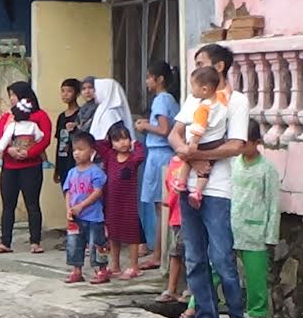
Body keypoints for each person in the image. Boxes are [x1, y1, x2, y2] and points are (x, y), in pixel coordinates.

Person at [169, 43, 251, 318]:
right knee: (194, 259)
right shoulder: (194, 97)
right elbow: (174, 133)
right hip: (187, 186)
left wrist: (201, 155)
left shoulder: (236, 102)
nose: (196, 69)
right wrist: (188, 156)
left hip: (217, 189)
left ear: (218, 67)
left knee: (221, 258)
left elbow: (237, 145)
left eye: (201, 62)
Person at [0, 82, 52, 255]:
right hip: (10, 166)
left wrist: (29, 153)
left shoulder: (39, 116)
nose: (11, 99)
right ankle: (5, 241)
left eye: (13, 95)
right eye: (9, 95)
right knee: (8, 204)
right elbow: (0, 136)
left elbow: (45, 139)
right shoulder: (7, 117)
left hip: (31, 166)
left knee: (32, 204)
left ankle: (35, 241)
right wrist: (9, 150)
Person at [231, 120, 280, 318]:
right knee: (216, 268)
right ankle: (199, 305)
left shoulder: (267, 169)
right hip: (232, 226)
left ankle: (257, 312)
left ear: (257, 142)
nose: (241, 147)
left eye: (245, 143)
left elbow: (273, 204)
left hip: (256, 230)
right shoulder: (234, 163)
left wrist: (271, 235)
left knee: (255, 276)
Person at [135, 60, 180, 270]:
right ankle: (159, 252)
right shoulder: (168, 99)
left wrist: (145, 125)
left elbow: (164, 130)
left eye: (148, 77)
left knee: (161, 205)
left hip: (160, 154)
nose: (146, 81)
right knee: (161, 205)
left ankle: (158, 254)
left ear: (159, 79)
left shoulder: (161, 99)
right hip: (162, 154)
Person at [170, 67, 229, 206]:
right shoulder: (221, 100)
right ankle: (197, 191)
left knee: (186, 159)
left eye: (193, 87)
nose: (191, 91)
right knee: (206, 169)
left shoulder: (202, 108)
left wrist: (193, 145)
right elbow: (226, 92)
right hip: (217, 142)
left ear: (204, 90)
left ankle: (181, 182)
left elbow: (198, 128)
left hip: (202, 142)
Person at [95, 124, 146, 279]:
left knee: (132, 236)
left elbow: (141, 155)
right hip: (111, 203)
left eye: (125, 138)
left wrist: (135, 143)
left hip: (128, 204)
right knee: (113, 234)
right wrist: (108, 138)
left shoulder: (132, 159)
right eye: (117, 140)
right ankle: (115, 265)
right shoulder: (110, 156)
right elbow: (96, 144)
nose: (122, 143)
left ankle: (134, 266)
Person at [63, 132, 111, 285]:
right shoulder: (71, 173)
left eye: (81, 149)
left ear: (92, 151)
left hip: (93, 217)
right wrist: (68, 209)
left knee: (97, 244)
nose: (77, 153)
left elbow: (97, 192)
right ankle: (76, 270)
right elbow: (68, 192)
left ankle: (101, 270)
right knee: (74, 243)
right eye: (74, 150)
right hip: (75, 217)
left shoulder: (96, 172)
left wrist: (81, 206)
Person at [156, 158, 187, 303]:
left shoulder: (193, 161)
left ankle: (189, 290)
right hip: (176, 216)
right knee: (175, 253)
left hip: (188, 216)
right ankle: (172, 288)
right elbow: (170, 189)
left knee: (189, 255)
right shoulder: (173, 163)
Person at [0, 99, 44, 166]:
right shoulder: (33, 125)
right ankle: (44, 160)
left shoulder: (13, 125)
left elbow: (5, 138)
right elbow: (39, 136)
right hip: (29, 150)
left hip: (17, 149)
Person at [54, 78, 81, 187]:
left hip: (75, 159)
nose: (65, 94)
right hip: (63, 161)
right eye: (63, 91)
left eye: (69, 91)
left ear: (77, 93)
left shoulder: (81, 114)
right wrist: (57, 168)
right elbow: (59, 142)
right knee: (66, 192)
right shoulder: (61, 116)